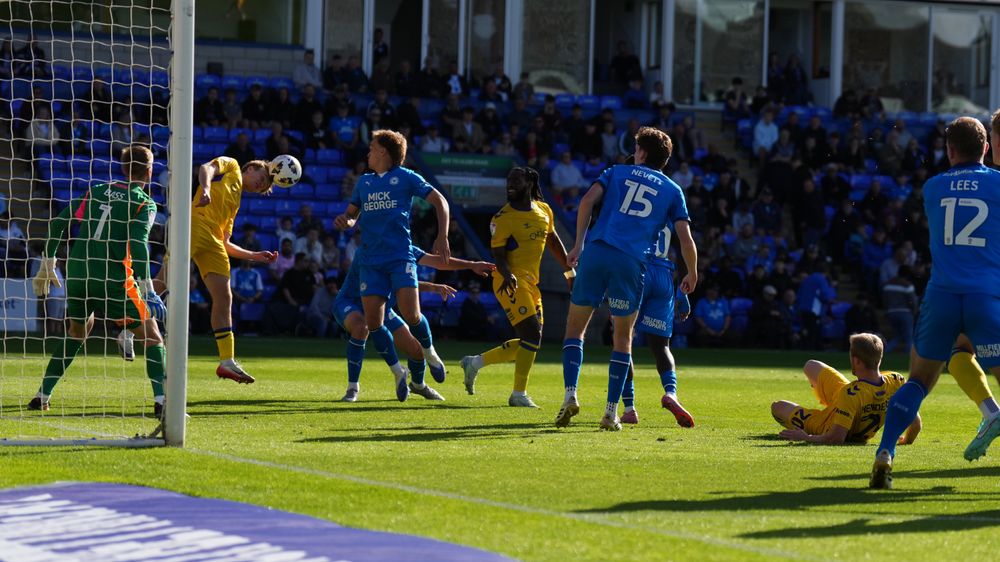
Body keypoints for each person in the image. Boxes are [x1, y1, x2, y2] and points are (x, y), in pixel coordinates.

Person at [870, 116, 1000, 488]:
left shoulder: (932, 188)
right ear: (986, 149)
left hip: (941, 295)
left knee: (919, 380)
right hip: (986, 297)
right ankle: (991, 412)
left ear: (949, 150)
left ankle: (885, 452)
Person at [556, 126, 697, 431]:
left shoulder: (616, 171)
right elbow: (685, 237)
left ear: (642, 152)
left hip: (596, 251)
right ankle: (611, 412)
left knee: (575, 328)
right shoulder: (673, 189)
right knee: (624, 337)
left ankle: (570, 395)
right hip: (633, 262)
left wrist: (578, 243)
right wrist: (692, 271)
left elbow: (586, 202)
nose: (634, 152)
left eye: (636, 147)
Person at [29, 146, 167, 416]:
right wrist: (149, 288)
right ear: (150, 172)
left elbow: (59, 222)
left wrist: (48, 263)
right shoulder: (143, 203)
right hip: (113, 279)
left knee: (77, 333)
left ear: (123, 168)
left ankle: (42, 394)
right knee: (153, 339)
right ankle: (162, 401)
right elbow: (138, 245)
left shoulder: (96, 191)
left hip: (79, 275)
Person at [334, 130, 452, 397]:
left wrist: (442, 235)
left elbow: (440, 201)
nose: (368, 153)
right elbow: (352, 216)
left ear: (383, 152)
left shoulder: (407, 178)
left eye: (372, 148)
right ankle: (399, 372)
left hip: (400, 256)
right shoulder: (364, 182)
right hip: (371, 261)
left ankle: (430, 353)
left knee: (411, 314)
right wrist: (347, 222)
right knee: (374, 324)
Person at [460, 168, 572, 407]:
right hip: (507, 282)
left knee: (530, 342)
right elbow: (498, 255)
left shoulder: (544, 210)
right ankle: (518, 395)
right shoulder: (502, 218)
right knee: (532, 334)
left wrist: (569, 272)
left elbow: (552, 240)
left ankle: (475, 363)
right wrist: (508, 274)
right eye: (508, 180)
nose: (510, 185)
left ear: (530, 182)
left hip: (531, 283)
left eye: (516, 180)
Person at [335, 244, 494, 402]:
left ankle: (418, 385)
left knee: (416, 351)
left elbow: (437, 262)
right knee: (361, 327)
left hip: (383, 308)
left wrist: (471, 265)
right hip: (352, 302)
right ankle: (353, 388)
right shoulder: (368, 249)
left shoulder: (403, 245)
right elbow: (392, 282)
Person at [189, 156, 278, 384]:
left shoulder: (235, 203)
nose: (262, 184)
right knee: (168, 279)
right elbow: (205, 167)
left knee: (224, 296)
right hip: (196, 223)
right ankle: (129, 325)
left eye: (266, 186)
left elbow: (226, 243)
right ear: (251, 167)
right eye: (263, 178)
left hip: (214, 242)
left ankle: (226, 361)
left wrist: (255, 256)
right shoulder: (234, 166)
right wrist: (206, 189)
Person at [772, 334, 921, 445]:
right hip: (854, 396)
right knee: (811, 365)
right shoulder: (897, 380)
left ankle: (828, 406)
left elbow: (836, 438)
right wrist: (907, 440)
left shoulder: (850, 394)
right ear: (879, 359)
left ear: (856, 361)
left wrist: (804, 437)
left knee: (777, 406)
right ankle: (828, 398)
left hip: (825, 424)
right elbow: (916, 423)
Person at [620, 223, 695, 427]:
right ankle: (671, 393)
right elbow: (683, 245)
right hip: (664, 274)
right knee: (662, 346)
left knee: (623, 341)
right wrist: (683, 293)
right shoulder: (672, 202)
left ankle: (629, 409)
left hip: (638, 271)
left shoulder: (633, 195)